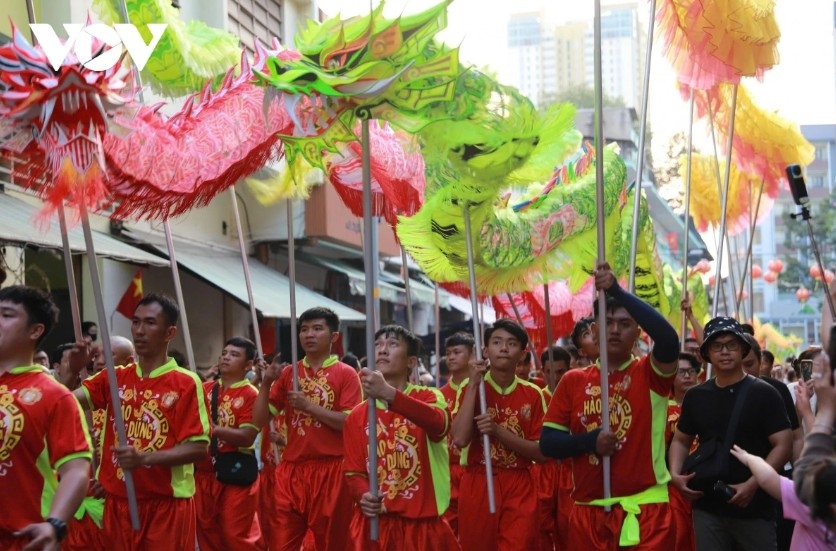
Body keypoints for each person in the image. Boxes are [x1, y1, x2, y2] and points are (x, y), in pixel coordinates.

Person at [540, 262, 680, 550]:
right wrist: (590, 442)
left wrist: (616, 290)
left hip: (645, 511)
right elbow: (548, 442)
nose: (615, 330)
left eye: (625, 323)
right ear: (593, 329)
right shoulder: (573, 380)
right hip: (588, 510)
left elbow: (668, 339)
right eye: (608, 322)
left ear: (639, 331)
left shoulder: (651, 373)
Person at [72, 293, 211, 550]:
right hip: (116, 504)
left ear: (170, 332)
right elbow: (63, 403)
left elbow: (198, 448)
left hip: (165, 506)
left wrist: (143, 459)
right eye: (135, 322)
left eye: (149, 323)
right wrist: (70, 370)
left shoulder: (186, 382)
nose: (139, 330)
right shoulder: (113, 378)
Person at [669, 317, 793, 551]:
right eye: (717, 346)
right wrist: (675, 474)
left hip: (755, 508)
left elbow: (784, 445)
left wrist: (754, 483)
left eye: (731, 345)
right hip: (707, 505)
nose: (724, 352)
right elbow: (681, 440)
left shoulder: (764, 393)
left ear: (743, 349)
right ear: (706, 353)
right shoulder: (696, 396)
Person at [253, 307, 362, 551]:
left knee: (332, 544)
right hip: (291, 472)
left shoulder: (346, 374)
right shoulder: (289, 373)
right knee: (281, 544)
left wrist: (307, 406)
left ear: (334, 337)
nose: (309, 335)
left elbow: (349, 423)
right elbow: (259, 420)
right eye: (304, 329)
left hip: (332, 472)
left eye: (317, 328)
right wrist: (266, 382)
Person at [343, 325, 460, 550]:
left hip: (423, 527)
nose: (383, 350)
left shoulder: (428, 396)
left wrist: (387, 393)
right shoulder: (357, 415)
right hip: (377, 525)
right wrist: (363, 495)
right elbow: (353, 471)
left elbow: (439, 425)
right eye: (378, 345)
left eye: (393, 344)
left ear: (411, 362)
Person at [0, 286, 92, 550]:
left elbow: (75, 469)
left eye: (6, 315)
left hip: (24, 538)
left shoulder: (53, 395)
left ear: (35, 330)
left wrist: (55, 524)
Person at [451, 318, 548, 551]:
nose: (504, 348)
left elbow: (543, 453)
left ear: (523, 353)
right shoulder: (469, 387)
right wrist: (474, 385)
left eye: (512, 343)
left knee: (519, 544)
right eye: (497, 342)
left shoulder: (534, 394)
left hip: (519, 482)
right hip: (478, 479)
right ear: (485, 350)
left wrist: (497, 431)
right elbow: (460, 439)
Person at [195, 337, 262, 550]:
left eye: (234, 354)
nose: (226, 357)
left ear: (248, 365)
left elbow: (246, 436)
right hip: (204, 473)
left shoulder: (251, 394)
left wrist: (212, 429)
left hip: (235, 472)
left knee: (235, 535)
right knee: (207, 533)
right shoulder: (204, 389)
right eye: (224, 353)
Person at [438, 331, 474, 536]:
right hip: (447, 469)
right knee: (448, 529)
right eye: (448, 352)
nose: (450, 357)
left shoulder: (482, 391)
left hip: (472, 469)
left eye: (457, 352)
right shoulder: (439, 395)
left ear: (471, 355)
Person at [667, 353, 701, 551]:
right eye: (681, 372)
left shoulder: (708, 405)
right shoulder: (662, 408)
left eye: (691, 371)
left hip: (703, 479)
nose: (687, 376)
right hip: (675, 482)